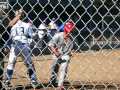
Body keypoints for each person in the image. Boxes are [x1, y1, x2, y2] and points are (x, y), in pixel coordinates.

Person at [3, 9, 38, 88]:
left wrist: (7, 46)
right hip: (24, 45)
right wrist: (36, 35)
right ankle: (33, 80)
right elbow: (33, 36)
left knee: (11, 63)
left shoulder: (12, 26)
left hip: (14, 45)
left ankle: (7, 81)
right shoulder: (27, 25)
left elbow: (10, 37)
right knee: (29, 63)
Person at [48, 20, 75, 90]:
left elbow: (71, 49)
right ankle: (53, 80)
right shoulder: (58, 35)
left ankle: (60, 85)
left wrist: (71, 52)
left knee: (64, 67)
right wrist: (55, 52)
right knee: (54, 68)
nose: (69, 32)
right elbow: (50, 45)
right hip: (56, 54)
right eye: (68, 30)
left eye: (71, 31)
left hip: (65, 55)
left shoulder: (72, 39)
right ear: (65, 30)